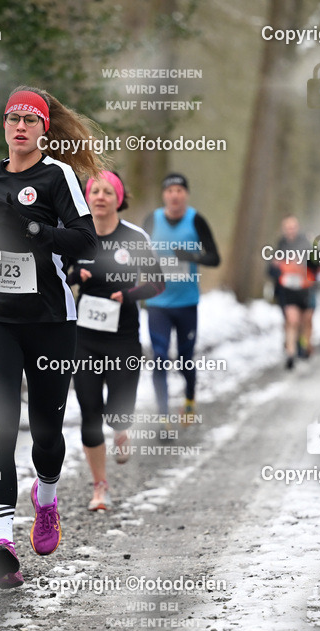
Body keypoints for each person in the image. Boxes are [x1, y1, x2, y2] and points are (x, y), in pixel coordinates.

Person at [0, 86, 101, 588]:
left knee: (47, 433)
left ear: (43, 129)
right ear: (4, 125)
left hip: (50, 320)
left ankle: (47, 499)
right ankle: (2, 543)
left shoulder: (58, 176)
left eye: (30, 120)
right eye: (13, 118)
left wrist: (37, 232)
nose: (20, 126)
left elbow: (86, 241)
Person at [66, 171, 164, 511]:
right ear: (87, 197)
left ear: (119, 199)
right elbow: (60, 276)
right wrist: (75, 275)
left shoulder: (134, 237)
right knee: (90, 412)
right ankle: (100, 487)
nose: (100, 196)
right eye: (95, 191)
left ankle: (121, 428)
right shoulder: (76, 235)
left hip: (123, 339)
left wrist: (129, 294)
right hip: (84, 338)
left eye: (108, 191)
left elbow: (157, 283)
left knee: (118, 412)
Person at [143, 174, 220, 424]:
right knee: (159, 357)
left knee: (185, 359)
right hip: (157, 304)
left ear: (186, 194)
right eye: (170, 190)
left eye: (179, 190)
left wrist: (193, 257)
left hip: (186, 303)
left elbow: (215, 258)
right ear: (164, 195)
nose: (174, 195)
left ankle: (189, 401)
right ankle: (163, 414)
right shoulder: (152, 220)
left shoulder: (196, 220)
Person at [267, 215, 318, 369]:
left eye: (293, 227)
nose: (290, 230)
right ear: (283, 229)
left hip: (306, 290)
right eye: (287, 228)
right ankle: (290, 352)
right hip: (287, 291)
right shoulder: (280, 246)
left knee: (305, 321)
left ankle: (304, 344)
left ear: (297, 228)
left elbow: (317, 266)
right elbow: (270, 270)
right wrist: (278, 268)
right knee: (292, 320)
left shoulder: (307, 244)